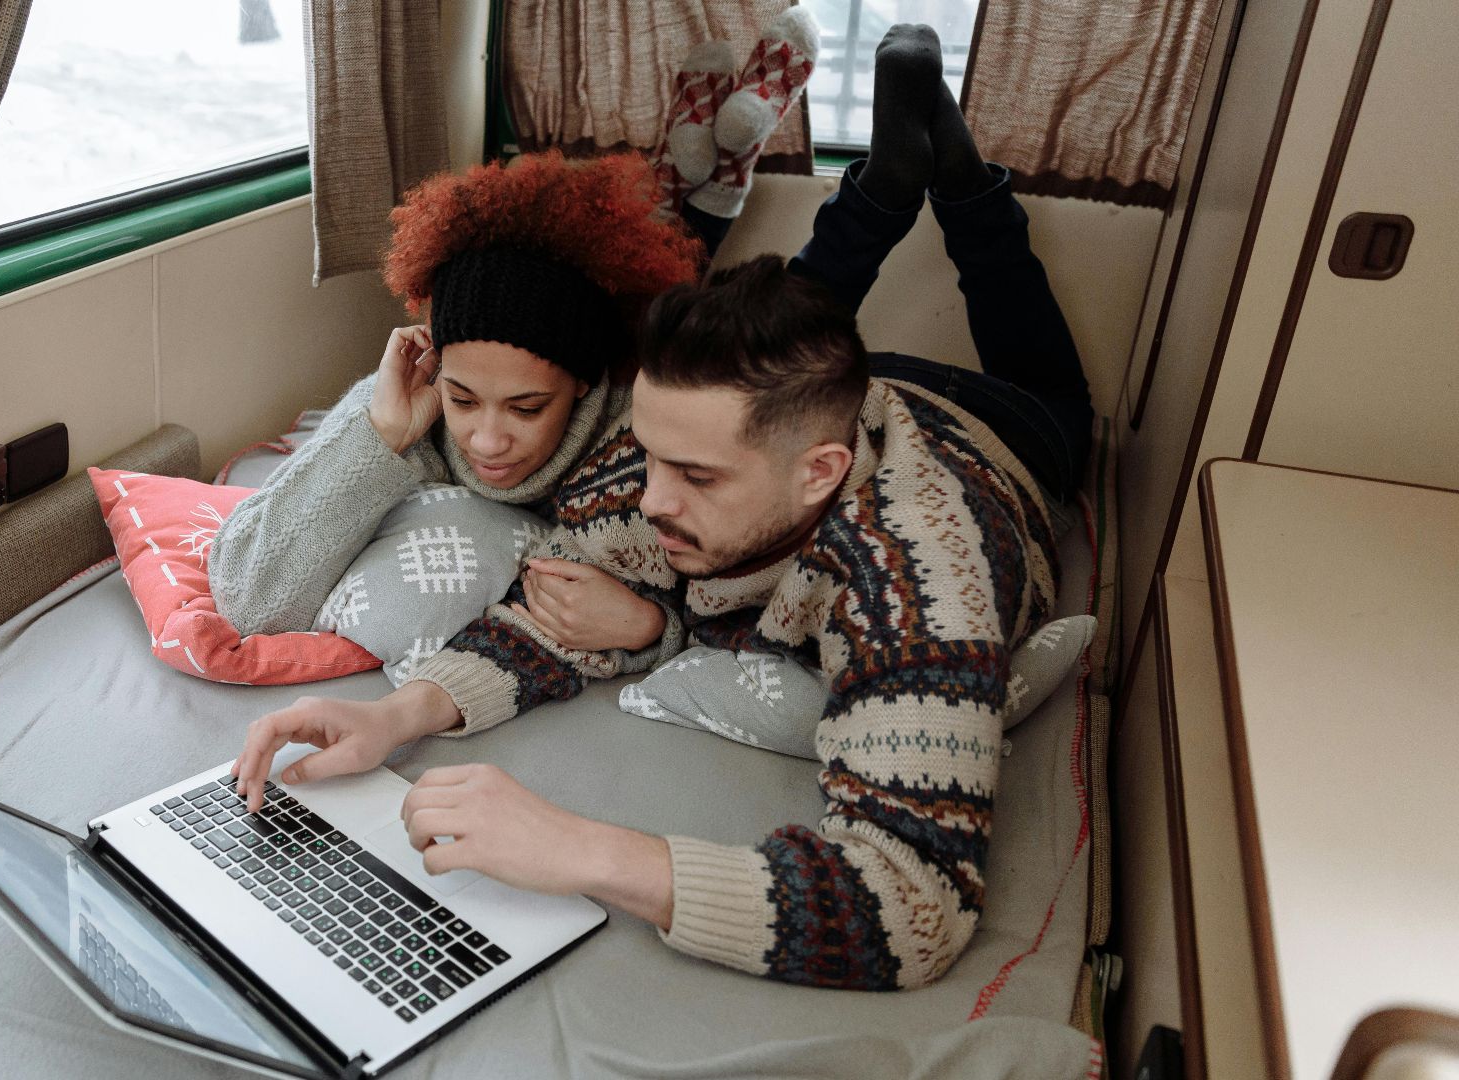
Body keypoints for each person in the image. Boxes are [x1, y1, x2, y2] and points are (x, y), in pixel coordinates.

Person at [227, 25, 1094, 992]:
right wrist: (393, 717)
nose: (649, 503)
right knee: (777, 334)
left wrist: (585, 851)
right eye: (649, 458)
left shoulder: (920, 577)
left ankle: (959, 182)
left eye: (697, 479)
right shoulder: (667, 462)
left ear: (820, 475)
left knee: (1053, 381)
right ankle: (888, 188)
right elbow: (551, 619)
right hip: (843, 394)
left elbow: (912, 905)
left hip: (1009, 435)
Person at [208, 151, 702, 659]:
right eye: (462, 399)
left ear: (582, 381)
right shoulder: (399, 410)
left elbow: (742, 607)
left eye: (527, 408)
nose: (487, 441)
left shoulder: (644, 437)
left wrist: (649, 627)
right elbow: (250, 602)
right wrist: (380, 435)